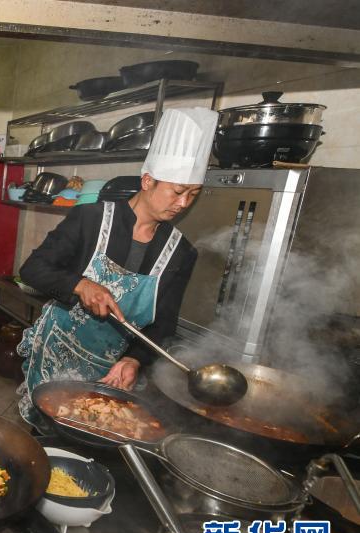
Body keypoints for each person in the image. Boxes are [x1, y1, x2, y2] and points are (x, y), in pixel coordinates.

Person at [16, 107, 218, 429]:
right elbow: (33, 269)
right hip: (56, 354)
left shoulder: (180, 253)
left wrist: (134, 358)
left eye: (193, 195)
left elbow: (163, 323)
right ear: (148, 180)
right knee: (45, 434)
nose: (183, 203)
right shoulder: (90, 219)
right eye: (178, 191)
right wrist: (81, 285)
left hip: (111, 369)